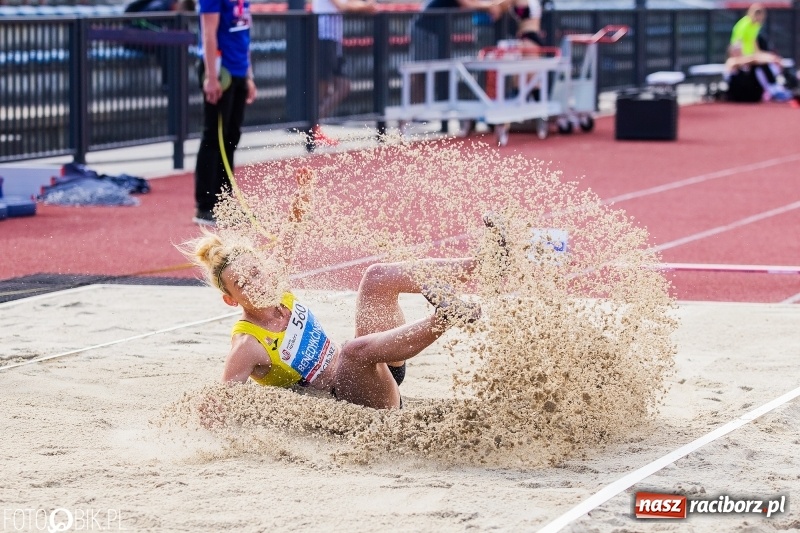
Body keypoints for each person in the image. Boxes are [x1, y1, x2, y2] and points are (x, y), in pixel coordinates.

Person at [183, 168, 505, 410]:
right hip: (354, 400)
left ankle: (482, 264)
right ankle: (447, 317)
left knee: (377, 276)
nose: (255, 283)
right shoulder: (248, 344)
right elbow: (224, 399)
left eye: (256, 271)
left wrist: (302, 197)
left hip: (380, 370)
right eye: (242, 284)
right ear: (231, 299)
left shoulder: (275, 285)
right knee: (353, 349)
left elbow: (292, 230)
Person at [193, 0, 257, 226]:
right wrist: (212, 77)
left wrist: (248, 75)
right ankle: (205, 205)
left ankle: (224, 202)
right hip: (222, 70)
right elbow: (208, 33)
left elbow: (244, 35)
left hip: (239, 70)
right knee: (214, 136)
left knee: (231, 137)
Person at [310, 0, 377, 146]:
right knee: (323, 88)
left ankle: (314, 123)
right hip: (324, 38)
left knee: (344, 86)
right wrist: (366, 7)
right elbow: (342, 5)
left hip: (333, 39)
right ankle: (313, 127)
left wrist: (365, 5)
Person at [728, 3, 792, 102]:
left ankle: (776, 87)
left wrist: (768, 57)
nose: (761, 19)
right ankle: (772, 89)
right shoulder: (743, 25)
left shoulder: (755, 26)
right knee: (764, 63)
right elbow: (736, 46)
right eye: (760, 16)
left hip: (752, 57)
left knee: (769, 62)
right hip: (743, 58)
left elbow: (755, 46)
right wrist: (743, 60)